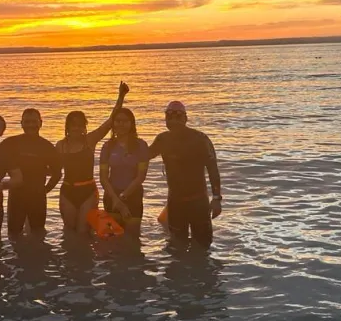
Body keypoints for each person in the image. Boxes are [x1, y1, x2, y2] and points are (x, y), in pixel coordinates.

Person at [148, 101, 222, 248]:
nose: (173, 120)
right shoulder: (163, 140)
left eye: (177, 116)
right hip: (175, 202)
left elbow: (213, 170)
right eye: (169, 116)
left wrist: (216, 198)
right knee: (176, 247)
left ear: (185, 119)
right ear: (165, 119)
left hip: (198, 202)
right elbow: (142, 156)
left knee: (203, 247)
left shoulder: (200, 139)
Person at [58, 82, 130, 233]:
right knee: (69, 231)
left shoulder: (90, 141)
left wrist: (121, 96)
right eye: (73, 125)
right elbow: (50, 168)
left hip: (88, 191)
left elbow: (110, 122)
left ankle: (89, 254)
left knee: (83, 231)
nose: (76, 128)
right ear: (67, 128)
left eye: (80, 125)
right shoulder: (60, 146)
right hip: (67, 191)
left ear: (84, 127)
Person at [0, 108, 62, 236]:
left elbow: (57, 173)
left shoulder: (47, 147)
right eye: (27, 122)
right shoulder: (11, 143)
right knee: (14, 233)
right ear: (21, 123)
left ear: (41, 123)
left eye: (34, 122)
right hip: (16, 196)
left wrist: (45, 190)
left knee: (38, 234)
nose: (31, 125)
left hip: (38, 197)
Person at [99, 107, 149, 235]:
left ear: (131, 124)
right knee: (112, 238)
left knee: (132, 240)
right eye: (118, 121)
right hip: (112, 195)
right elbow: (104, 178)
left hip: (133, 195)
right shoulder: (107, 147)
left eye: (125, 121)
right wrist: (116, 200)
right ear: (113, 124)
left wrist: (123, 197)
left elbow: (140, 177)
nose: (121, 124)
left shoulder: (141, 146)